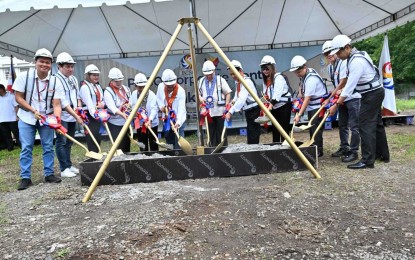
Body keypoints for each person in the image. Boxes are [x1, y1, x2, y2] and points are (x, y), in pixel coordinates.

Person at [329, 35, 390, 169]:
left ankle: (368, 160)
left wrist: (336, 104)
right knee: (377, 124)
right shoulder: (359, 55)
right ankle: (383, 154)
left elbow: (350, 86)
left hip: (371, 94)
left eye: (339, 52)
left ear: (347, 47)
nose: (338, 56)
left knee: (365, 125)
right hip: (374, 92)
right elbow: (359, 80)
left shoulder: (355, 61)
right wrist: (342, 90)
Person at [12, 48, 65, 190]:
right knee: (27, 147)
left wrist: (57, 121)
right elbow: (18, 97)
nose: (44, 65)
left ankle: (49, 174)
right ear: (35, 62)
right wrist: (32, 110)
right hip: (27, 116)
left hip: (46, 118)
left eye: (47, 62)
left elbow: (57, 104)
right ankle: (25, 177)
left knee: (48, 146)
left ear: (51, 64)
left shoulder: (55, 81)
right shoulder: (24, 77)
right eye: (41, 61)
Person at [321, 41, 361, 162]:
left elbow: (343, 81)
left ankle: (354, 151)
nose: (329, 55)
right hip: (342, 98)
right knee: (342, 124)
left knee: (354, 126)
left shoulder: (343, 62)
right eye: (326, 53)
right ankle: (344, 147)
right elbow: (336, 85)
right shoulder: (329, 67)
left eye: (331, 52)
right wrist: (331, 97)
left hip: (352, 97)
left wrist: (331, 97)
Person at [291, 55, 327, 157]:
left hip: (318, 106)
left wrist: (299, 114)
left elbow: (307, 99)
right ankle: (314, 146)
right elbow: (302, 93)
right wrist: (299, 93)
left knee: (316, 129)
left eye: (298, 71)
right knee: (312, 128)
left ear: (304, 67)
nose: (297, 74)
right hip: (312, 106)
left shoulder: (311, 79)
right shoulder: (305, 75)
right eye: (295, 72)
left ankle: (318, 150)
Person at [54, 52, 83, 178]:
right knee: (62, 141)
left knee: (70, 141)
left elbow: (76, 96)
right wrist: (76, 115)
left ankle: (69, 164)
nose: (70, 69)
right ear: (59, 66)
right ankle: (64, 168)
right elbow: (63, 102)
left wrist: (78, 109)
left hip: (72, 114)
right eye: (67, 66)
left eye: (72, 66)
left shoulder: (73, 79)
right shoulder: (56, 79)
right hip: (62, 114)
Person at [225, 60, 261, 144]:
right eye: (231, 74)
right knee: (250, 132)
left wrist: (230, 112)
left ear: (240, 71)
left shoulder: (246, 81)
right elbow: (237, 95)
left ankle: (254, 152)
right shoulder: (238, 81)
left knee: (253, 133)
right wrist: (231, 103)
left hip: (254, 110)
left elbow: (241, 99)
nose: (233, 76)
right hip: (248, 111)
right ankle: (251, 150)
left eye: (234, 73)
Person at [259, 55, 292, 143]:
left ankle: (286, 147)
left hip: (284, 106)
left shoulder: (278, 77)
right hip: (274, 106)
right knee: (275, 129)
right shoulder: (266, 80)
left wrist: (269, 108)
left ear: (272, 68)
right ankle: (276, 147)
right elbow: (265, 95)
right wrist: (263, 105)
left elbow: (276, 95)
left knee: (283, 128)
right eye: (263, 69)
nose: (265, 71)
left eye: (267, 69)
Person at [198, 60, 232, 146]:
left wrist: (227, 106)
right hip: (208, 112)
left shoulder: (221, 80)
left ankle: (223, 149)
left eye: (210, 74)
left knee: (221, 133)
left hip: (220, 111)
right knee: (210, 133)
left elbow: (228, 93)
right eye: (207, 74)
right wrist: (201, 99)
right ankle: (212, 149)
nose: (209, 76)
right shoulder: (201, 81)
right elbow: (198, 93)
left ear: (214, 71)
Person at [156, 69, 187, 149]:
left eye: (172, 86)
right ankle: (171, 158)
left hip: (178, 120)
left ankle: (180, 156)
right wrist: (161, 106)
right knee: (169, 142)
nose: (170, 88)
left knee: (179, 143)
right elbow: (158, 99)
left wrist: (178, 122)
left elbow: (181, 109)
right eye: (168, 86)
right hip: (167, 120)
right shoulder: (160, 87)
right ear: (164, 83)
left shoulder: (181, 91)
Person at [103, 67, 131, 153]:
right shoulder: (108, 91)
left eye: (120, 80)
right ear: (111, 80)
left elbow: (130, 101)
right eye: (116, 81)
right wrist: (122, 114)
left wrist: (129, 108)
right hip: (114, 123)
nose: (119, 82)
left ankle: (127, 162)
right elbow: (112, 107)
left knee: (127, 144)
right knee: (119, 146)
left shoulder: (126, 89)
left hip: (126, 121)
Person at [129, 73, 159, 151]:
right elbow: (132, 106)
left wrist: (150, 120)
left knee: (153, 143)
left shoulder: (152, 95)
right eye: (140, 87)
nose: (142, 89)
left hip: (151, 122)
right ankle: (144, 156)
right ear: (135, 86)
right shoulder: (133, 94)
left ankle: (155, 157)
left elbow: (154, 109)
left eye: (143, 87)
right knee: (142, 143)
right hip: (140, 123)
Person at [79, 64, 105, 153]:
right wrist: (98, 116)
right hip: (89, 116)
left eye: (97, 75)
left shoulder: (98, 86)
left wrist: (102, 105)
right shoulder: (85, 87)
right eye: (94, 75)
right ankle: (93, 158)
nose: (96, 77)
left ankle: (98, 155)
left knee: (98, 137)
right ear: (88, 75)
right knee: (92, 138)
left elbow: (103, 100)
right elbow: (90, 105)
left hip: (98, 114)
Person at [0, 84, 20, 151]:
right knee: (6, 135)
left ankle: (21, 145)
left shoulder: (11, 96)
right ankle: (10, 147)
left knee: (16, 133)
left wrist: (17, 116)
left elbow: (16, 106)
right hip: (2, 119)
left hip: (12, 119)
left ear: (2, 89)